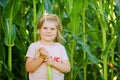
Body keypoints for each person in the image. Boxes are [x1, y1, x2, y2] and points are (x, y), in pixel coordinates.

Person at [25, 12, 71, 80]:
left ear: (57, 32)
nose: (49, 31)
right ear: (39, 30)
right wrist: (41, 57)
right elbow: (29, 68)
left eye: (52, 29)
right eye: (45, 28)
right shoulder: (34, 46)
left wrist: (53, 63)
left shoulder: (60, 48)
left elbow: (67, 68)